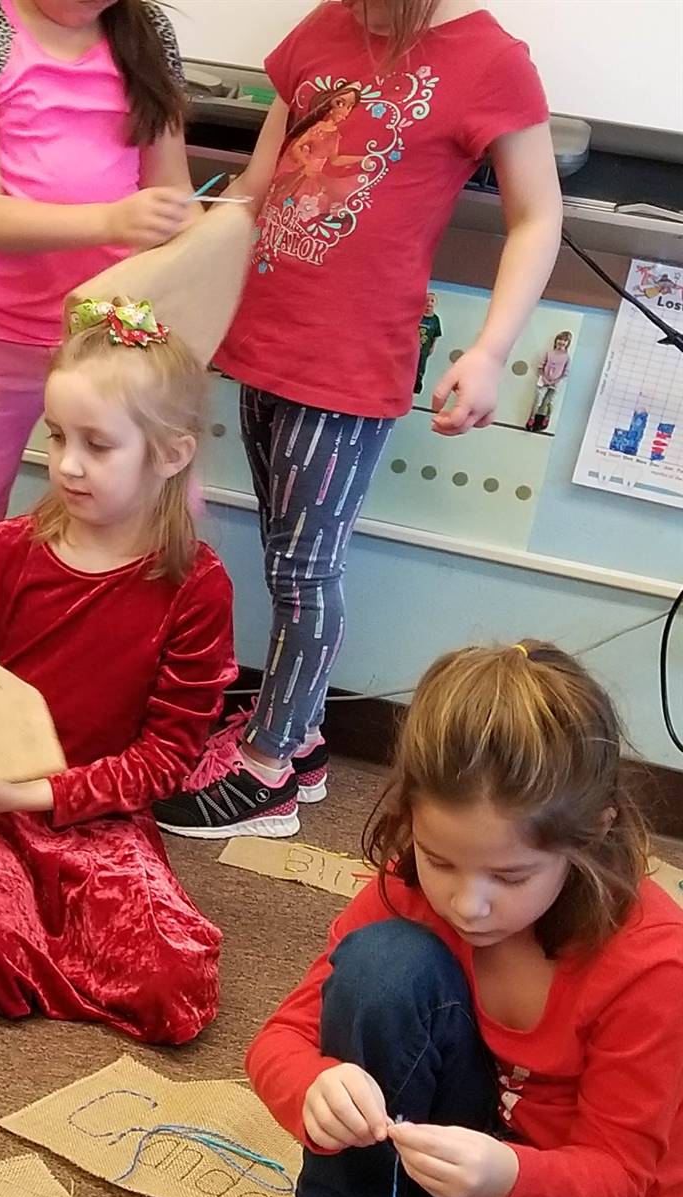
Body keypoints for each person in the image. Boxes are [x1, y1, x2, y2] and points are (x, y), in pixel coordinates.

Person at [237, 642, 682, 1197]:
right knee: (379, 967)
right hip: (474, 1149)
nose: (468, 904)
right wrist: (313, 1088)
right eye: (441, 860)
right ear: (409, 816)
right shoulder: (410, 889)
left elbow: (618, 1173)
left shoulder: (651, 963)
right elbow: (280, 1039)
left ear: (593, 833)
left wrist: (506, 1173)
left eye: (510, 877)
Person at [154, 0, 563, 838]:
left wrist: (489, 351)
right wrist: (178, 280)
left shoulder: (490, 59)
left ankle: (267, 770)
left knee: (308, 571)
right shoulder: (324, 27)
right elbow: (258, 186)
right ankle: (297, 737)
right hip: (264, 339)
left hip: (347, 365)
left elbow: (539, 215)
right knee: (284, 554)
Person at [0, 298, 235, 1044]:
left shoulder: (195, 587)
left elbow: (166, 758)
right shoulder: (5, 551)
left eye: (98, 445)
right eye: (58, 436)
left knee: (176, 988)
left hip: (93, 810)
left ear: (170, 454)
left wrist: (40, 793)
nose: (66, 464)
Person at [0, 0, 197, 622]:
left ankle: (90, 685)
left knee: (139, 525)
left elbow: (173, 190)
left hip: (112, 334)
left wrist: (202, 254)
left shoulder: (145, 33)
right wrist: (112, 220)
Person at [526, 328, 572, 432]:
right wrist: (544, 378)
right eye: (560, 339)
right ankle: (532, 418)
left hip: (556, 383)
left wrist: (556, 381)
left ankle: (547, 418)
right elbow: (540, 367)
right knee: (538, 400)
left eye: (565, 341)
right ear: (556, 341)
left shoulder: (567, 357)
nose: (562, 342)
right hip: (543, 381)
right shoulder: (549, 353)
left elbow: (566, 373)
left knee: (550, 402)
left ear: (567, 343)